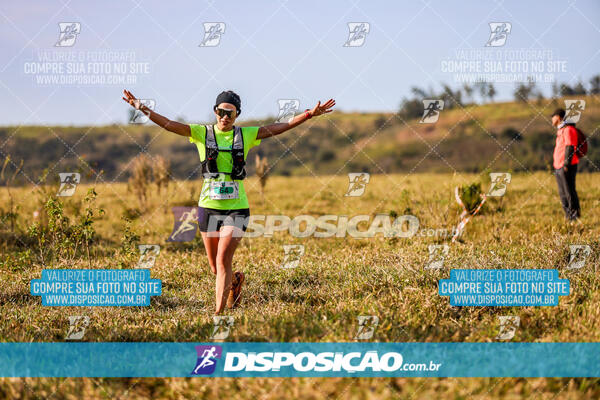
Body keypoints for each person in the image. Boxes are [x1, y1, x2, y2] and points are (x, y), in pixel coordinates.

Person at [122, 89, 335, 314]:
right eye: (222, 111)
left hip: (237, 209)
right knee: (215, 268)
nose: (225, 116)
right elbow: (167, 123)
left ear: (237, 116)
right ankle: (235, 281)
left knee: (224, 258)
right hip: (208, 208)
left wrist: (309, 114)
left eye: (230, 114)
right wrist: (141, 107)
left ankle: (219, 314)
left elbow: (278, 127)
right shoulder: (200, 133)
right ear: (215, 111)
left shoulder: (247, 135)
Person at [551, 108, 581, 221]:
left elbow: (570, 146)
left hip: (567, 166)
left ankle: (574, 216)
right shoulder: (560, 130)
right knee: (562, 193)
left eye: (552, 117)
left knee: (569, 192)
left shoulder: (569, 129)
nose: (551, 119)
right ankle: (568, 216)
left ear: (558, 117)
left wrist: (566, 164)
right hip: (558, 166)